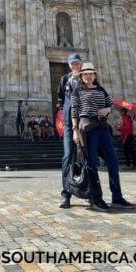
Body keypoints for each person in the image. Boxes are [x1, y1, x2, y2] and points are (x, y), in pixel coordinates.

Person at [71, 62, 133, 211]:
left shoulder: (101, 89)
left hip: (103, 128)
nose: (88, 76)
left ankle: (117, 197)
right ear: (81, 76)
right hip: (87, 128)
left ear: (94, 75)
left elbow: (111, 105)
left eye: (91, 73)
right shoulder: (77, 91)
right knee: (91, 163)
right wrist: (75, 131)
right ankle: (95, 198)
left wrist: (107, 110)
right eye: (85, 74)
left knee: (113, 161)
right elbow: (74, 111)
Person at [57, 53, 83, 209]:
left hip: (85, 122)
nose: (75, 66)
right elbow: (60, 99)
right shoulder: (64, 79)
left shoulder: (87, 76)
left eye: (77, 63)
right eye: (72, 63)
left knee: (86, 158)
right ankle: (65, 193)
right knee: (67, 157)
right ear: (69, 65)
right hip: (68, 123)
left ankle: (88, 191)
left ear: (81, 64)